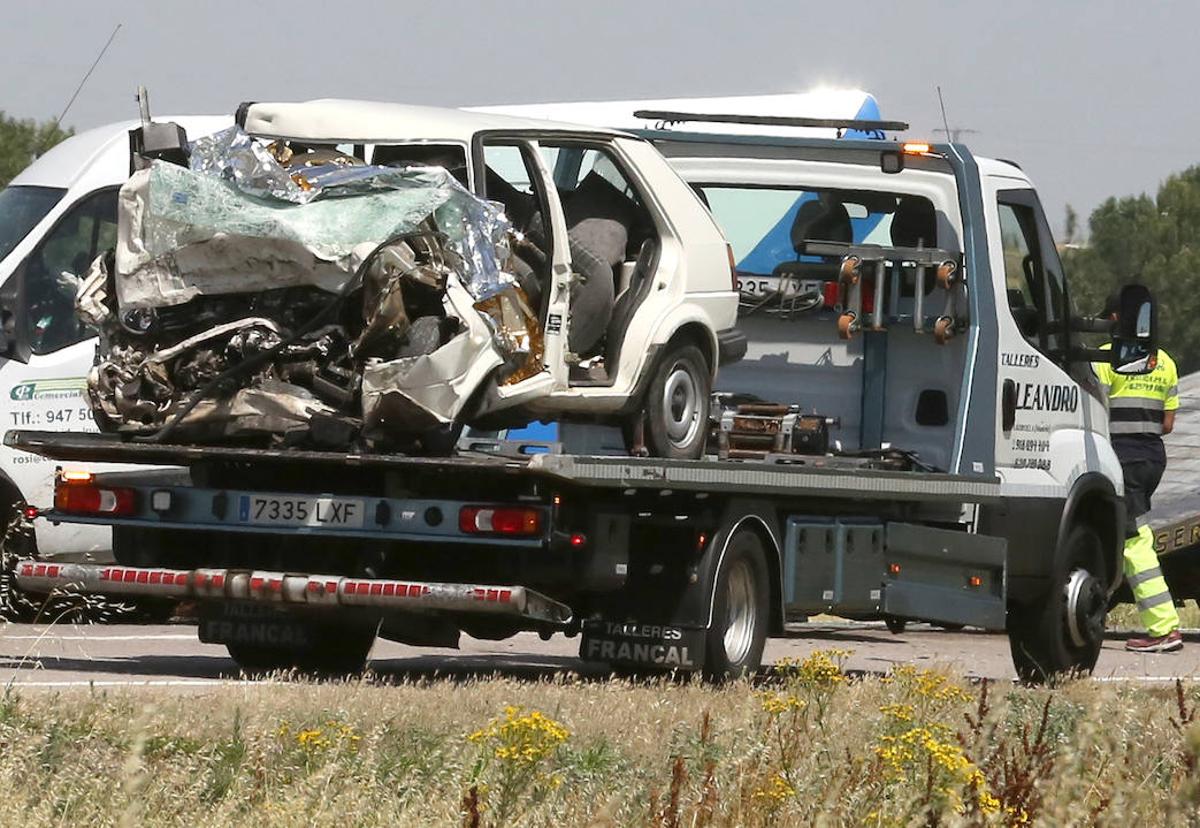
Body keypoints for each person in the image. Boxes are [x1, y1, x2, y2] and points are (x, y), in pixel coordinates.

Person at [1095, 291, 1182, 652]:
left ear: (1116, 318)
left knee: (1133, 539)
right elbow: (1168, 423)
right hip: (1151, 456)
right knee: (1120, 532)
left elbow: (1092, 412)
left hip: (1121, 457)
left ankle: (1163, 628)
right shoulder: (1166, 362)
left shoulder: (1103, 358)